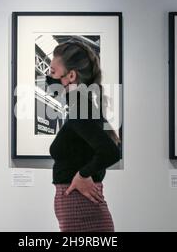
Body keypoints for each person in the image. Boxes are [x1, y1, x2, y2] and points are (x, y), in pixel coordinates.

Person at [47, 41, 121, 232]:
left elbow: (110, 152)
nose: (48, 77)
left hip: (82, 211)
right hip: (79, 209)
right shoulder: (80, 106)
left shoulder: (80, 107)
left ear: (70, 76)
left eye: (53, 72)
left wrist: (82, 174)